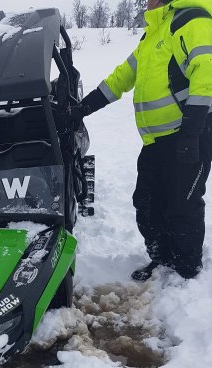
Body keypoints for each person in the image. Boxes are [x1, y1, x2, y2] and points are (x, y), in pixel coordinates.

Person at [72, 0, 212, 281]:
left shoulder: (190, 20)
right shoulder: (154, 34)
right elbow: (122, 77)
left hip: (188, 136)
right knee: (147, 204)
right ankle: (163, 260)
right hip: (155, 142)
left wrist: (192, 131)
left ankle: (186, 275)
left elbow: (206, 71)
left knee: (181, 206)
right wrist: (81, 109)